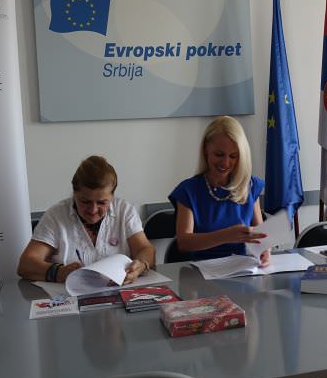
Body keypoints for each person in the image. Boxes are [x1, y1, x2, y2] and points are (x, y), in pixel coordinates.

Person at [17, 156, 155, 284]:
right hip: (68, 297)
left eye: (102, 202)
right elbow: (26, 265)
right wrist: (58, 272)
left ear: (112, 196)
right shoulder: (56, 216)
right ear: (74, 194)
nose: (93, 210)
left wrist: (141, 264)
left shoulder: (124, 210)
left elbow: (145, 249)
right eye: (85, 201)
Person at [169, 116, 270, 265]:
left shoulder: (250, 185)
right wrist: (227, 235)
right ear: (206, 150)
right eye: (219, 154)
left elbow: (261, 235)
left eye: (233, 156)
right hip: (202, 272)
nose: (226, 163)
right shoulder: (188, 190)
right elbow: (184, 243)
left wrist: (265, 250)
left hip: (243, 270)